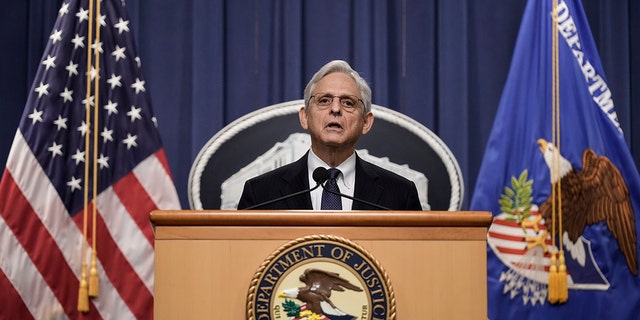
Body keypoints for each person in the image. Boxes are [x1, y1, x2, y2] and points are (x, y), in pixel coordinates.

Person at [237, 60, 422, 210]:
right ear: (305, 117)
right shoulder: (260, 194)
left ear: (366, 122)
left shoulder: (400, 195)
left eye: (348, 103)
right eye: (324, 100)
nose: (335, 109)